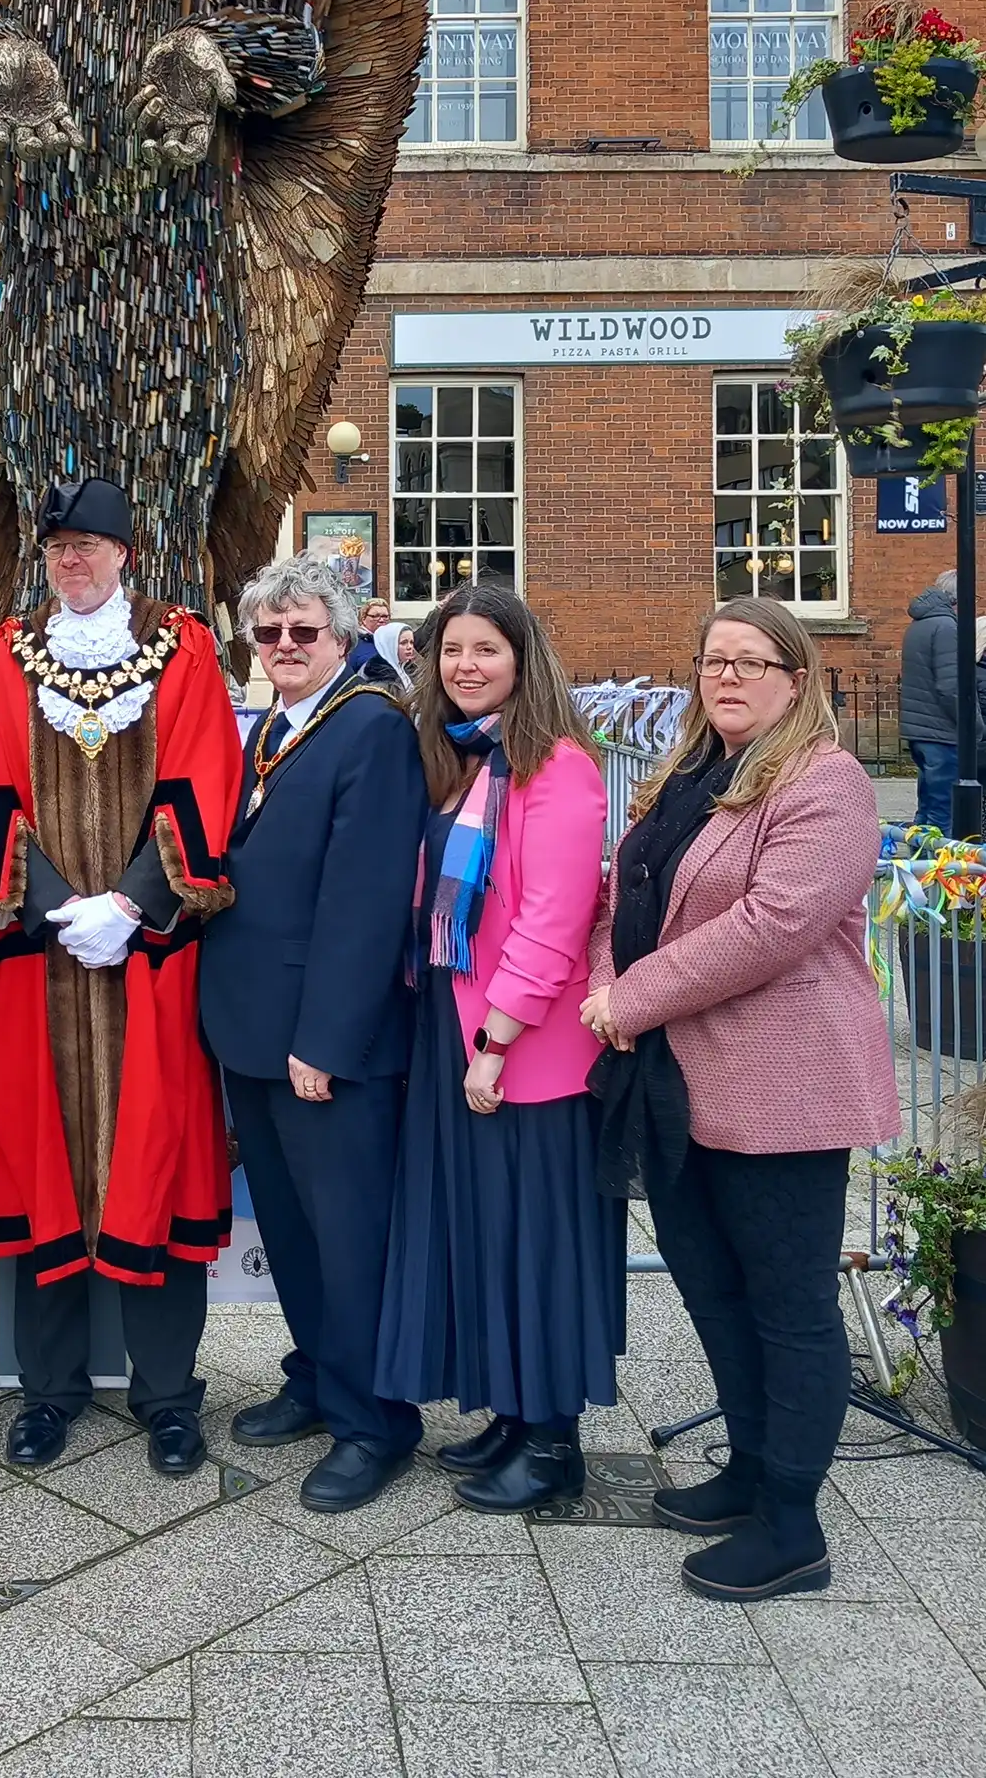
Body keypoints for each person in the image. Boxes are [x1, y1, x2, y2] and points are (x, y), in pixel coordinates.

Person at [583, 596, 899, 1602]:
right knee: (711, 1284)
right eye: (714, 661)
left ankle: (795, 1523)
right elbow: (622, 889)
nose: (728, 678)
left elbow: (774, 923)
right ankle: (750, 1468)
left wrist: (628, 998)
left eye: (752, 663)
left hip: (779, 1081)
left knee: (789, 1302)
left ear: (796, 680)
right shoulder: (690, 775)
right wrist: (608, 987)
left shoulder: (828, 782)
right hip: (673, 1074)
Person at [0, 477, 242, 1476]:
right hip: (46, 959)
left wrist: (131, 903)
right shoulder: (9, 649)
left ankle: (168, 1395)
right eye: (59, 547)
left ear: (125, 553)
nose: (73, 562)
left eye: (90, 546)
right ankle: (48, 1391)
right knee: (48, 1166)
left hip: (151, 956)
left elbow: (208, 772)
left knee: (156, 1157)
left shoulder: (185, 644)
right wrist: (51, 908)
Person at [376, 584, 622, 1514]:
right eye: (451, 651)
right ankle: (514, 1413)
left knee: (539, 1238)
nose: (466, 666)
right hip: (455, 1027)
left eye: (486, 649)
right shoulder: (461, 764)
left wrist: (497, 1039)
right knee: (488, 1231)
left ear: (524, 660)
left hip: (522, 1047)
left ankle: (555, 1441)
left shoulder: (556, 767)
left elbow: (555, 921)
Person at [198, 557, 428, 1512]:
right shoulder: (278, 729)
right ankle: (321, 1377)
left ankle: (376, 1420)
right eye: (269, 634)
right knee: (291, 1230)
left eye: (304, 633)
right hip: (253, 1029)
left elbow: (365, 902)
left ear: (343, 637)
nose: (285, 648)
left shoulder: (371, 728)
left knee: (347, 1234)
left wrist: (326, 1041)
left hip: (321, 1040)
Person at [901, 569, 959, 832]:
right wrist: (974, 727)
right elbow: (951, 686)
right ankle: (938, 870)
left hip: (921, 729)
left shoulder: (920, 624)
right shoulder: (946, 627)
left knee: (927, 805)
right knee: (943, 812)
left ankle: (920, 860)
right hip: (942, 731)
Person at [346, 604, 417, 692]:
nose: (381, 620)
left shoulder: (411, 669)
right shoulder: (355, 644)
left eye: (385, 616)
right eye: (375, 616)